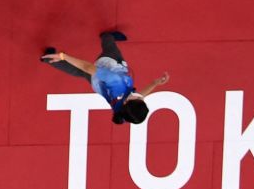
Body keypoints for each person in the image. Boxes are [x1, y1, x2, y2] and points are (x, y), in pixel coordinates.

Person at [41, 31, 169, 125]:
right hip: (98, 84)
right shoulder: (123, 112)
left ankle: (107, 36)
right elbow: (140, 95)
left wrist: (64, 56)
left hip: (108, 65)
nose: (139, 96)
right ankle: (49, 58)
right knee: (78, 72)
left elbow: (87, 67)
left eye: (138, 99)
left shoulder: (116, 82)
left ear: (126, 102)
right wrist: (155, 83)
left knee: (111, 48)